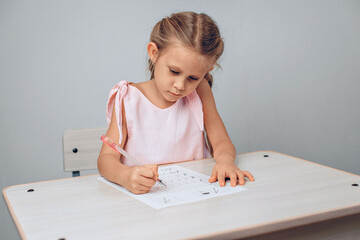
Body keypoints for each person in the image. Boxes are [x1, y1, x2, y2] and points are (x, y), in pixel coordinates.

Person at [97, 11, 254, 194]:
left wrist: (225, 162)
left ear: (207, 71)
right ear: (153, 53)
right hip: (144, 201)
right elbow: (106, 159)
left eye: (193, 77)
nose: (180, 86)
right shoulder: (128, 97)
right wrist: (125, 176)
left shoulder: (200, 90)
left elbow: (221, 142)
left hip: (193, 196)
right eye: (174, 71)